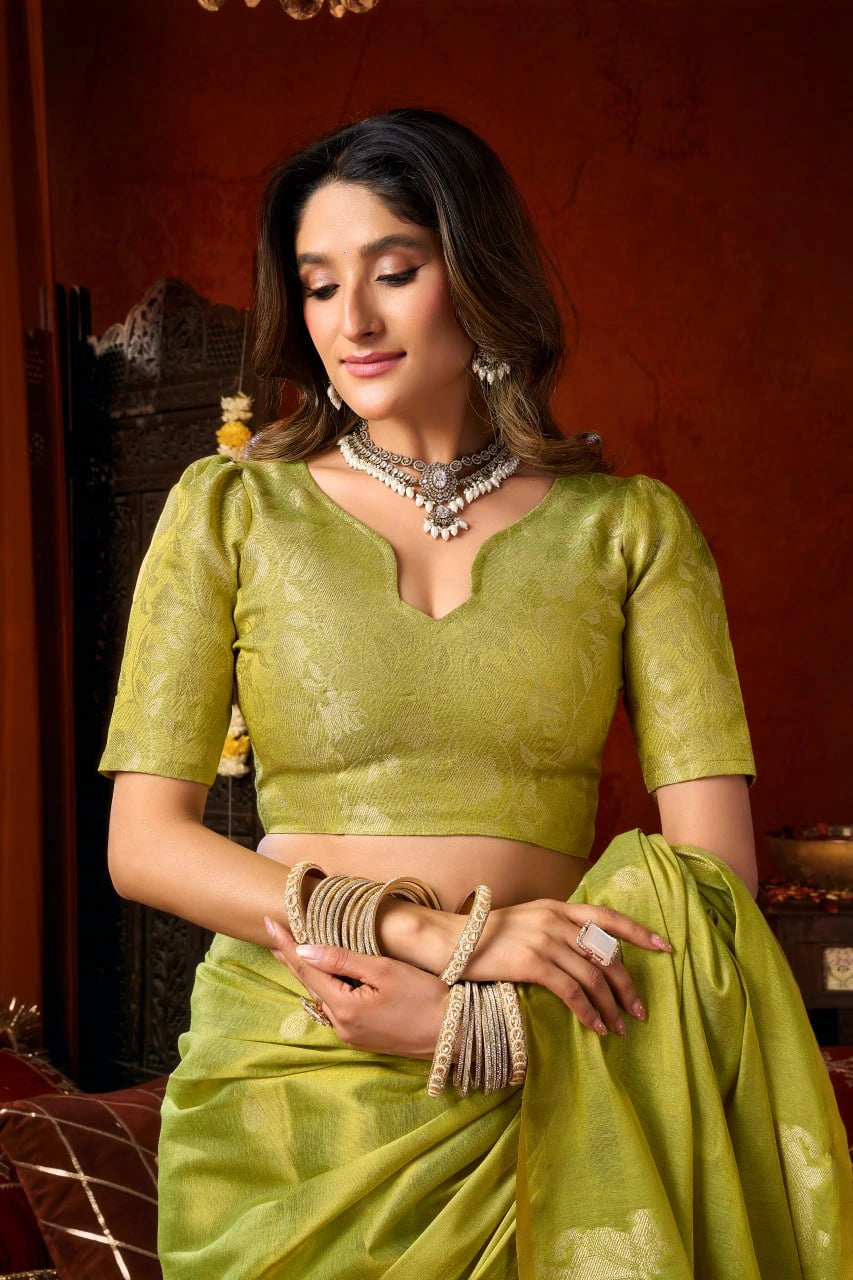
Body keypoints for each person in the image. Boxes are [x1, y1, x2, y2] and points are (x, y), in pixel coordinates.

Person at [98, 107, 853, 1279]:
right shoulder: (230, 512)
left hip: (556, 1067)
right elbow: (143, 842)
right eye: (315, 284)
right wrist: (430, 934)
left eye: (394, 271)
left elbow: (716, 886)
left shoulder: (630, 530)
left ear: (477, 275)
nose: (350, 320)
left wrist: (482, 1026)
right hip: (294, 1074)